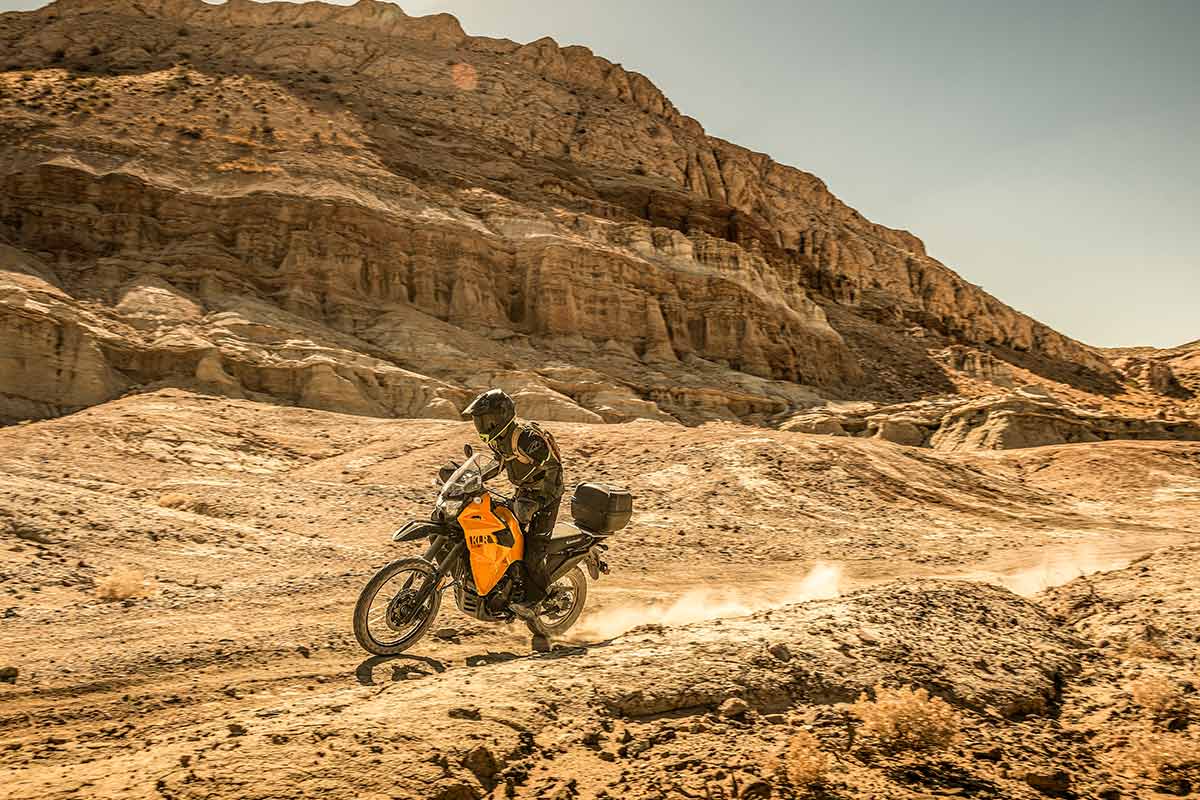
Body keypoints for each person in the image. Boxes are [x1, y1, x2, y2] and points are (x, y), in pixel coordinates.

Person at [461, 389, 563, 608]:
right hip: (524, 493)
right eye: (479, 421)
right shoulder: (499, 439)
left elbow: (552, 467)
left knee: (533, 552)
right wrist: (471, 478)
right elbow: (499, 463)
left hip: (547, 495)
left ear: (502, 416)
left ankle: (539, 601)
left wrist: (540, 500)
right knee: (500, 533)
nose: (481, 425)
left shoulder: (527, 438)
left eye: (485, 420)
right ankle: (505, 583)